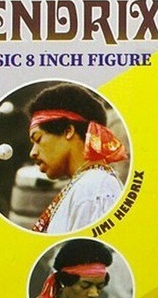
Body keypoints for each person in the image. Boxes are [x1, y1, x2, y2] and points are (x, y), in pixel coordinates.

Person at [28, 83, 126, 233]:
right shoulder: (87, 184)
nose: (32, 153)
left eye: (38, 139)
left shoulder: (94, 188)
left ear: (68, 131)